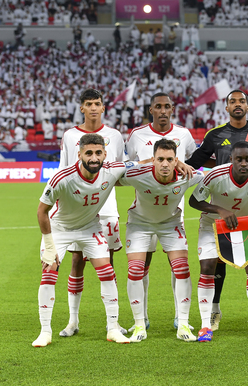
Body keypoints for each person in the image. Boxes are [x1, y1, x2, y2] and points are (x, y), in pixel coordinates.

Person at [186, 89, 248, 332]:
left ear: (247, 105)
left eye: (241, 101)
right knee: (216, 262)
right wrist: (177, 166)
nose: (237, 105)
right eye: (233, 101)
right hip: (221, 204)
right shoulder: (215, 135)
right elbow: (197, 161)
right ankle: (214, 309)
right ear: (227, 107)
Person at [32, 133, 135, 347]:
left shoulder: (113, 169)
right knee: (49, 273)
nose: (94, 158)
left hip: (90, 228)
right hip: (60, 229)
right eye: (89, 153)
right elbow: (42, 211)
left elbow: (141, 164)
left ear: (105, 154)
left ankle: (113, 328)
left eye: (98, 153)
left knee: (107, 272)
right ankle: (45, 331)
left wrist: (176, 162)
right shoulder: (62, 177)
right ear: (79, 155)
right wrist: (49, 245)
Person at [125, 92, 197, 332]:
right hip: (145, 206)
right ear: (151, 110)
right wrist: (151, 164)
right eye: (159, 107)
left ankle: (181, 318)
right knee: (141, 265)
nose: (163, 110)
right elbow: (127, 166)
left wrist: (179, 164)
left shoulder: (184, 135)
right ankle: (141, 318)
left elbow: (193, 166)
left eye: (167, 106)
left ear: (173, 109)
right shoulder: (137, 135)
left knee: (177, 265)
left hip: (174, 208)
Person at [118, 139, 203, 342]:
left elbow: (211, 175)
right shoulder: (137, 174)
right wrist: (142, 162)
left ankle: (182, 323)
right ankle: (139, 325)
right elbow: (111, 174)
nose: (165, 164)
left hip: (170, 224)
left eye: (169, 159)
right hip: (140, 224)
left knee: (182, 268)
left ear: (177, 161)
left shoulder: (188, 175)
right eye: (160, 159)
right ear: (153, 160)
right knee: (135, 269)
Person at [57, 89, 126, 338]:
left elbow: (119, 171)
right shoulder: (70, 136)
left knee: (107, 263)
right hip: (76, 211)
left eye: (98, 103)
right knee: (76, 262)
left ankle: (113, 323)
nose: (94, 107)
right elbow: (63, 173)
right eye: (89, 104)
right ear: (82, 108)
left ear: (103, 107)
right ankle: (73, 321)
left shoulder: (115, 136)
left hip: (106, 208)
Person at [189, 141, 248, 342]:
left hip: (245, 224)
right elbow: (194, 201)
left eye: (247, 159)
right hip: (213, 224)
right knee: (208, 266)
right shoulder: (215, 175)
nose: (243, 163)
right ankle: (205, 326)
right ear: (230, 160)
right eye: (239, 159)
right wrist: (220, 210)